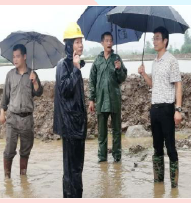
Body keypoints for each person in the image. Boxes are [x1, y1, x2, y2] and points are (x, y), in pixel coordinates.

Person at [138, 26, 183, 188]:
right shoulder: (154, 62)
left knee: (170, 146)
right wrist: (144, 75)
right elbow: (153, 85)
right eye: (153, 38)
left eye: (157, 38)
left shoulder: (172, 60)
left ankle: (174, 187)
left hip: (167, 109)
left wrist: (178, 110)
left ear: (165, 41)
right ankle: (158, 183)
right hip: (154, 109)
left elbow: (178, 85)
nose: (154, 41)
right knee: (157, 148)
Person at [53, 22, 87, 198]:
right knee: (70, 170)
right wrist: (75, 69)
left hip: (78, 125)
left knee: (78, 168)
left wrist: (77, 67)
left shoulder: (75, 64)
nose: (80, 45)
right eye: (77, 42)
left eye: (81, 41)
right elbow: (65, 90)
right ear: (68, 45)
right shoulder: (63, 65)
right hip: (69, 125)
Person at [1, 44, 43, 178]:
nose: (15, 59)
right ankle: (7, 177)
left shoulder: (32, 74)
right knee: (9, 150)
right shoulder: (10, 75)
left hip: (27, 119)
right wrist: (2, 113)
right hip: (12, 118)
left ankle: (23, 178)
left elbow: (39, 92)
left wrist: (35, 81)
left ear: (24, 57)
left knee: (25, 151)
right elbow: (5, 97)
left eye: (18, 56)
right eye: (14, 57)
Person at [89, 32, 127, 163]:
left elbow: (122, 78)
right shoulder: (97, 60)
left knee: (117, 131)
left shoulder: (117, 59)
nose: (109, 43)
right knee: (102, 132)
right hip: (100, 100)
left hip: (114, 100)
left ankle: (117, 156)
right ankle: (102, 157)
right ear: (102, 43)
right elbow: (92, 81)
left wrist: (119, 69)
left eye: (111, 40)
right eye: (106, 40)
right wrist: (91, 100)